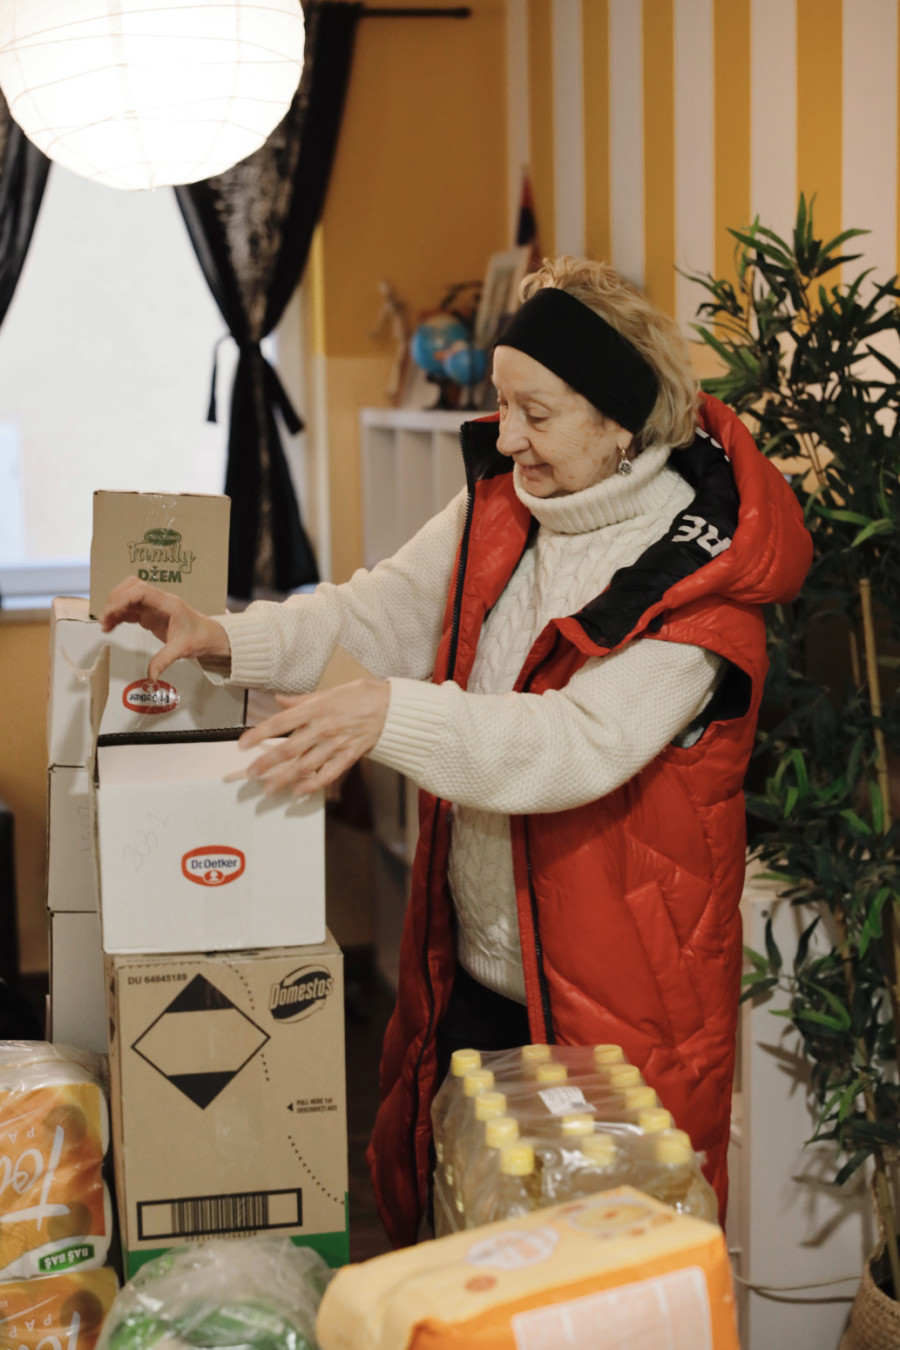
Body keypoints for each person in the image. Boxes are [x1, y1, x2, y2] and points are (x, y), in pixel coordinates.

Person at [101, 256, 812, 1248]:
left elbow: (570, 746)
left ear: (621, 422)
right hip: (474, 975)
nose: (506, 435)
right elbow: (378, 612)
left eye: (536, 413)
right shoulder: (505, 506)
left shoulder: (703, 587)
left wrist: (386, 714)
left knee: (593, 1278)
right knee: (470, 1250)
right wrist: (221, 635)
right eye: (501, 404)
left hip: (618, 1019)